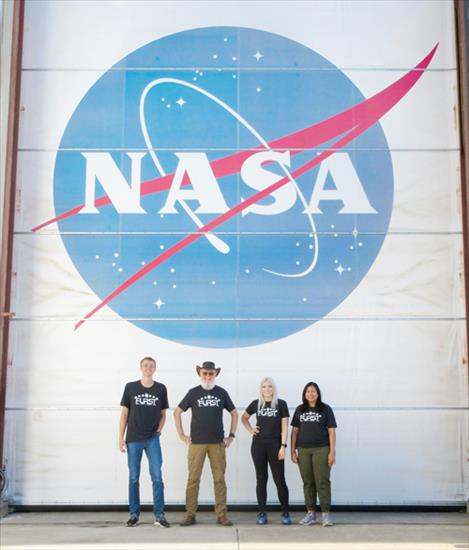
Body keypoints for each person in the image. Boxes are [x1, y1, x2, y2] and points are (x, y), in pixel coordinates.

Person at [173, 361, 238, 527]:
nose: (208, 376)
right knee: (193, 479)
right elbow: (177, 412)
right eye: (205, 373)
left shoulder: (221, 393)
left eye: (211, 373)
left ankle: (222, 515)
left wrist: (231, 436)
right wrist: (182, 435)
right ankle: (190, 514)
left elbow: (234, 413)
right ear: (200, 374)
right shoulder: (193, 393)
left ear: (215, 374)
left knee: (219, 479)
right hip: (197, 443)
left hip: (217, 443)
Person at [119, 356, 170, 528]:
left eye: (151, 366)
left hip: (152, 439)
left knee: (157, 477)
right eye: (146, 365)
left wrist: (158, 431)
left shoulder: (161, 388)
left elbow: (164, 414)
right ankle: (134, 515)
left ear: (155, 368)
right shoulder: (130, 387)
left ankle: (159, 516)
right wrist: (121, 437)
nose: (148, 368)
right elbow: (124, 414)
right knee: (134, 478)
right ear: (141, 367)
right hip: (133, 439)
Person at [241, 377, 291, 525]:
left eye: (269, 386)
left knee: (279, 480)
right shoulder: (256, 404)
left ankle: (285, 513)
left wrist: (283, 446)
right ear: (260, 389)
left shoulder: (281, 404)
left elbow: (285, 427)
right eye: (264, 386)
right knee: (261, 479)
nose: (267, 389)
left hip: (276, 445)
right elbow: (244, 418)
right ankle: (262, 513)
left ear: (273, 388)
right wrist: (251, 429)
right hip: (258, 445)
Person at [291, 381, 337, 527]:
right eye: (308, 391)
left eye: (313, 391)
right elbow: (294, 431)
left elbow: (331, 431)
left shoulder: (325, 409)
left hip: (321, 449)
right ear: (304, 394)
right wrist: (292, 450)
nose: (310, 394)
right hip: (303, 450)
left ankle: (326, 514)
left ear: (318, 394)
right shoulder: (300, 409)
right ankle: (311, 513)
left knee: (322, 481)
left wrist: (332, 452)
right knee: (308, 482)